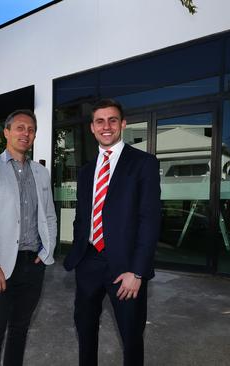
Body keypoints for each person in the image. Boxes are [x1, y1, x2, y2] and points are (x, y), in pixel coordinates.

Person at [63, 99, 161, 366]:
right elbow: (83, 217)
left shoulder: (144, 163)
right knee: (85, 331)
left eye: (112, 120)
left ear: (123, 124)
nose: (106, 126)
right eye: (100, 121)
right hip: (89, 262)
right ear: (92, 128)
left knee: (131, 336)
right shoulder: (85, 171)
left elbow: (150, 220)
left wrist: (138, 271)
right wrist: (79, 252)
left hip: (126, 269)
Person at [0, 109, 57, 366]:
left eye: (30, 129)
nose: (25, 133)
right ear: (6, 132)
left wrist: (46, 252)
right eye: (19, 127)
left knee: (20, 330)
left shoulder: (41, 172)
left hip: (33, 264)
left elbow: (49, 216)